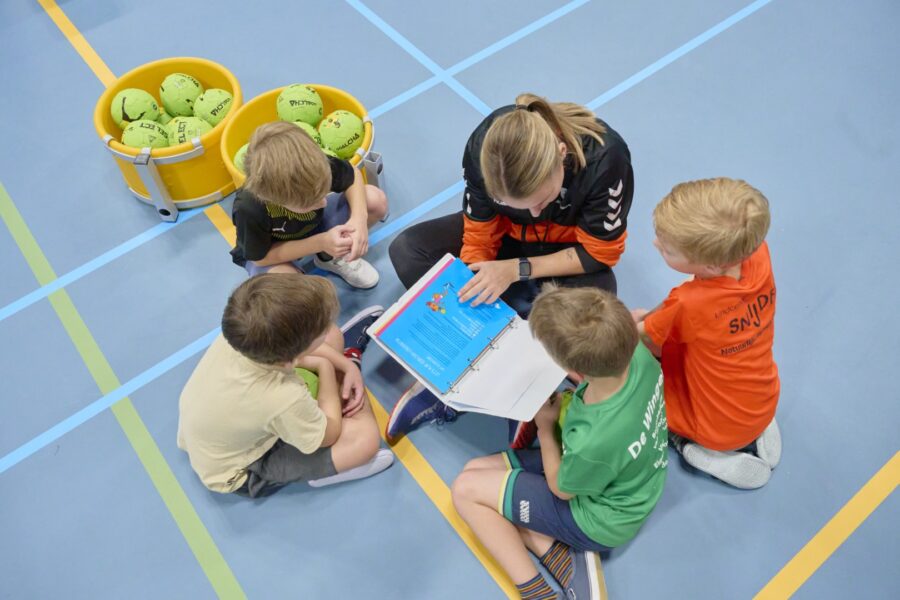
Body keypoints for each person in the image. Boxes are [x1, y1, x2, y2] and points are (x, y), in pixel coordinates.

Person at [386, 93, 634, 439]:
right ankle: (467, 369)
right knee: (408, 249)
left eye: (543, 201)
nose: (534, 212)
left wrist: (515, 269)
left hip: (562, 249)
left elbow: (599, 254)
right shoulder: (485, 148)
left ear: (562, 156)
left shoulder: (606, 158)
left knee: (599, 300)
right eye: (517, 203)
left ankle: (525, 384)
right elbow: (478, 233)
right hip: (506, 239)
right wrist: (471, 288)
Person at [451, 287, 667, 600]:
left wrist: (545, 426)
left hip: (601, 519)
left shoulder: (593, 437)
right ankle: (560, 556)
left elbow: (560, 488)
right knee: (477, 469)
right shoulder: (641, 356)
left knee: (465, 491)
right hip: (634, 477)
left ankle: (536, 592)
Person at [177, 274, 392, 497]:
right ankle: (324, 472)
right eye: (321, 329)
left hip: (211, 433)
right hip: (242, 470)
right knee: (364, 440)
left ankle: (346, 360)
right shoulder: (283, 397)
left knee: (334, 338)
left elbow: (304, 352)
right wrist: (329, 368)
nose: (329, 326)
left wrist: (345, 366)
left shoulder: (242, 334)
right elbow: (329, 434)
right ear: (291, 358)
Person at [633, 178, 781, 490]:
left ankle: (693, 448)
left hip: (713, 429)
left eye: (668, 248)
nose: (656, 245)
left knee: (633, 379)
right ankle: (756, 426)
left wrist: (638, 324)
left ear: (713, 265)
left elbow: (641, 340)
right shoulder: (757, 254)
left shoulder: (688, 303)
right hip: (764, 400)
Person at [230, 121, 388, 288]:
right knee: (285, 287)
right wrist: (320, 242)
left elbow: (352, 174)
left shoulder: (310, 166)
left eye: (324, 192)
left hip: (314, 228)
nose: (323, 202)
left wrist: (358, 219)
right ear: (277, 201)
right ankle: (302, 271)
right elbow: (261, 258)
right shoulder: (248, 208)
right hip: (274, 251)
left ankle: (329, 258)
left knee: (374, 200)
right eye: (311, 202)